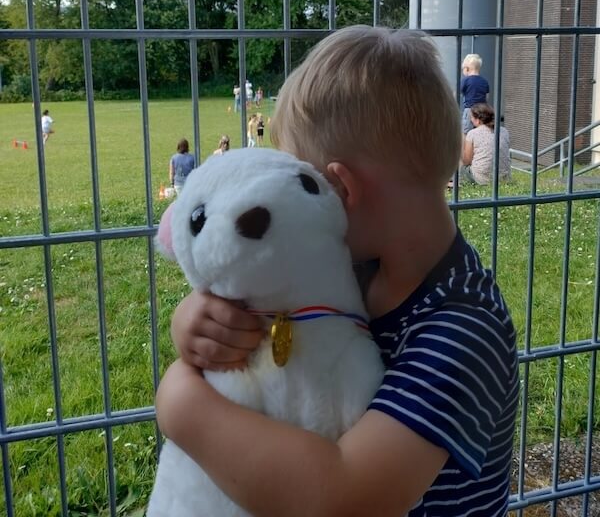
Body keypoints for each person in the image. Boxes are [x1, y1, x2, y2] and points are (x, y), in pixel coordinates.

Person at [156, 26, 519, 517]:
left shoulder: (463, 329)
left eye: (303, 181)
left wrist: (182, 405)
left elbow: (345, 496)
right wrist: (193, 318)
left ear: (341, 190)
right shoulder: (356, 263)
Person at [461, 102, 511, 185]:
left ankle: (456, 184)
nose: (471, 120)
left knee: (462, 167)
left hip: (482, 179)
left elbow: (467, 161)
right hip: (504, 178)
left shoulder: (473, 133)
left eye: (472, 117)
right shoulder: (504, 131)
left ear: (478, 120)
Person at [460, 52, 490, 134]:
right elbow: (487, 98)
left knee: (466, 133)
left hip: (470, 110)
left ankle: (467, 146)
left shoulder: (465, 80)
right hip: (482, 110)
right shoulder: (484, 81)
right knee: (480, 132)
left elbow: (457, 93)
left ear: (467, 69)